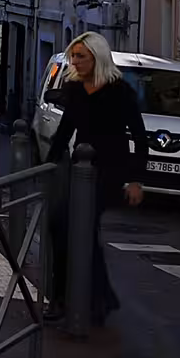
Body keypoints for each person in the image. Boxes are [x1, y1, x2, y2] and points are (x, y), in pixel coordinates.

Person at [43, 31, 148, 326]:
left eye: (81, 57)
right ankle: (85, 298)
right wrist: (47, 165)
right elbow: (65, 129)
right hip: (81, 169)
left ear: (97, 57)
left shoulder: (120, 91)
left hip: (110, 171)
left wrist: (136, 180)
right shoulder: (75, 89)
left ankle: (78, 301)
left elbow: (139, 138)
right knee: (60, 225)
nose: (74, 62)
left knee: (81, 228)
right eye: (73, 56)